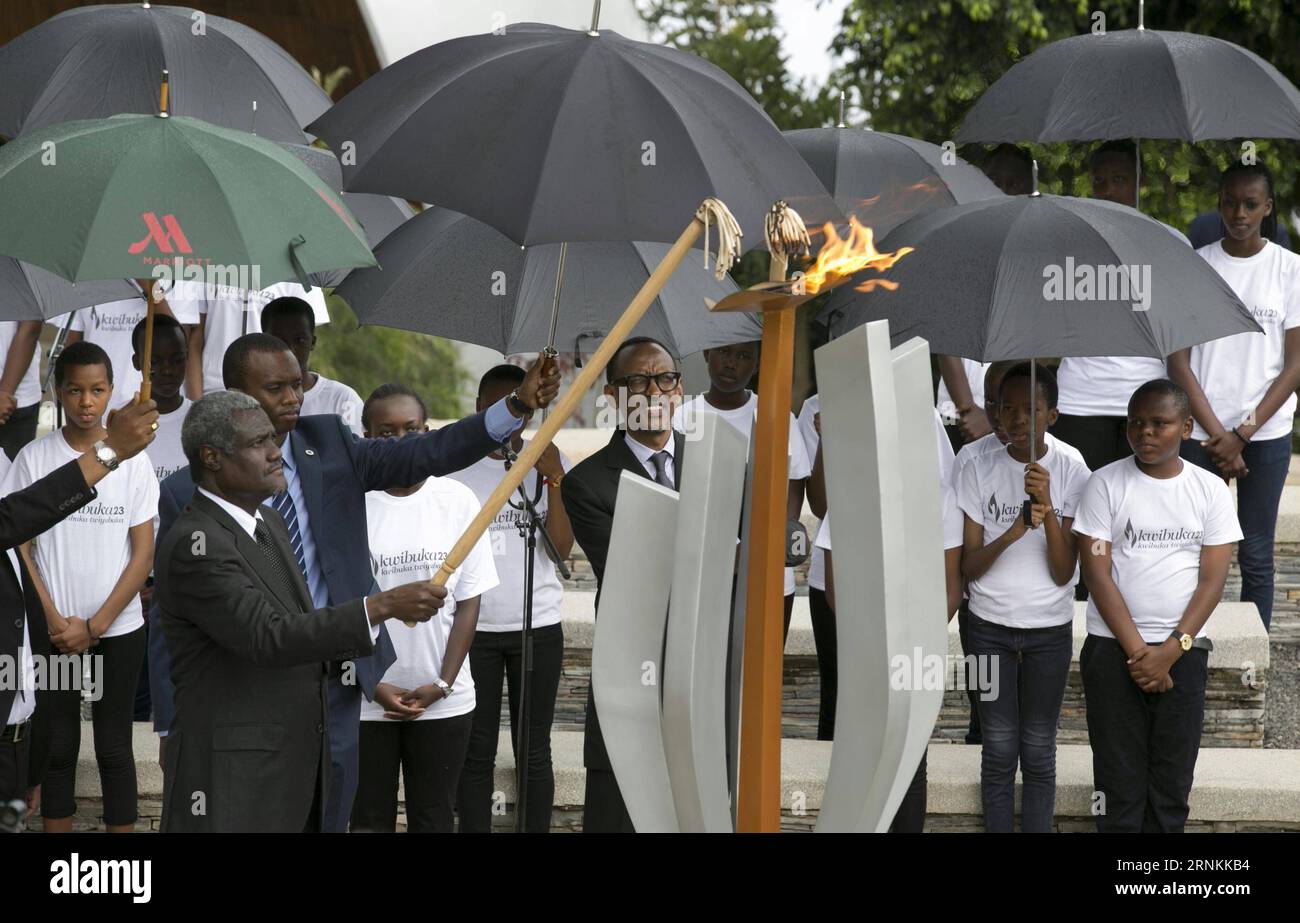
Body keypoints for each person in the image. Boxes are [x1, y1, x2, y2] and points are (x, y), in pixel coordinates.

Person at [148, 334, 560, 831]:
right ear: (236, 394)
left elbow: (427, 453)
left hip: (337, 686)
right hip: (247, 697)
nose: (292, 400)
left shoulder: (329, 444)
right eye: (276, 388)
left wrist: (513, 407)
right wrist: (171, 722)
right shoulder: (186, 496)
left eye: (297, 385)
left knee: (333, 816)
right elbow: (173, 618)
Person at [155, 391, 448, 832]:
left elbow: (303, 620)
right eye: (258, 444)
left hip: (299, 766)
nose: (277, 454)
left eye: (273, 439)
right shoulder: (197, 544)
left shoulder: (268, 523)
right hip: (236, 779)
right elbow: (269, 636)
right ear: (212, 457)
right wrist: (381, 605)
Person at [1072, 379, 1241, 832]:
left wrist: (1171, 649)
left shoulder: (1209, 490)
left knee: (1171, 784)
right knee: (1116, 782)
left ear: (1186, 427)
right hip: (1112, 653)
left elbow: (1212, 579)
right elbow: (1097, 573)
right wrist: (1137, 653)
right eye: (1136, 423)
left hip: (1182, 654)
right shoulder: (1103, 485)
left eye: (1159, 423)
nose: (1145, 432)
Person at [4, 342, 159, 833]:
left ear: (112, 392)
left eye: (97, 390)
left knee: (114, 747)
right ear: (57, 392)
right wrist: (52, 619)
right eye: (75, 390)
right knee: (57, 744)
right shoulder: (32, 458)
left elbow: (143, 553)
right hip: (53, 631)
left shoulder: (135, 461)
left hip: (119, 626)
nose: (86, 402)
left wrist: (97, 624)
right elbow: (20, 547)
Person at [351, 384, 499, 832]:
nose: (400, 442)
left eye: (411, 430)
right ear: (364, 438)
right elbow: (337, 608)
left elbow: (469, 601)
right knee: (367, 819)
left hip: (443, 702)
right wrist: (371, 682)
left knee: (434, 818)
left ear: (428, 432)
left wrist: (443, 682)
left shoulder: (456, 500)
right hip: (364, 701)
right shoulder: (348, 505)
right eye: (385, 433)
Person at [956, 362, 1091, 832]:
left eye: (1029, 410)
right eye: (1006, 408)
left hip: (1048, 631)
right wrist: (1014, 529)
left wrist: (1048, 509)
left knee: (1037, 747)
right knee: (996, 747)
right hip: (987, 627)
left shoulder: (1073, 467)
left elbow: (1062, 572)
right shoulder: (974, 462)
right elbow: (968, 567)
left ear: (1052, 415)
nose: (1016, 420)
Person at [815, 413, 964, 833]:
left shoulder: (944, 498)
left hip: (918, 650)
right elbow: (835, 590)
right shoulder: (850, 493)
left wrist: (916, 645)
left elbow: (950, 588)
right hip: (866, 650)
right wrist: (875, 644)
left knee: (912, 761)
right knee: (863, 757)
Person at [1168, 161, 1300, 631]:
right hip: (1202, 436)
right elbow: (1178, 362)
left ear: (1267, 207)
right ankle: (1190, 647)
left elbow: (1295, 365)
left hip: (1264, 435)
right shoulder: (1196, 265)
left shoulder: (1290, 269)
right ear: (1218, 203)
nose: (1239, 213)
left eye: (1250, 204)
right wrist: (1220, 433)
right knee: (1192, 548)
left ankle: (1253, 656)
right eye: (1230, 203)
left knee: (1258, 553)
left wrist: (1243, 432)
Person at [562, 336, 685, 832]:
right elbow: (633, 571)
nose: (652, 391)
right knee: (620, 806)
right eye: (636, 380)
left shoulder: (724, 465)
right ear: (612, 395)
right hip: (633, 665)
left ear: (680, 390)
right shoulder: (588, 482)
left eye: (664, 378)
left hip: (705, 665)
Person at [452, 365, 574, 834]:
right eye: (504, 405)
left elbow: (561, 550)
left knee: (533, 749)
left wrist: (556, 477)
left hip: (536, 626)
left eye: (522, 407)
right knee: (476, 748)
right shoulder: (458, 470)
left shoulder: (545, 461)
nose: (513, 416)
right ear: (482, 409)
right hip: (476, 627)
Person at [800, 393, 953, 741]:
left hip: (902, 580)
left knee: (897, 708)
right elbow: (823, 506)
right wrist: (827, 440)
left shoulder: (914, 401)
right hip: (838, 584)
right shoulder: (815, 407)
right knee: (839, 699)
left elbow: (938, 487)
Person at [1053, 141, 1189, 475]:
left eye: (1119, 179)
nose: (1108, 190)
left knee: (1140, 515)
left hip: (1147, 399)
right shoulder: (1066, 245)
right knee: (1080, 511)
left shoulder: (1171, 244)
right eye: (1100, 181)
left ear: (1139, 182)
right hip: (1080, 401)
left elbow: (1181, 335)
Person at [671, 341, 810, 637]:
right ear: (707, 353)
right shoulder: (682, 419)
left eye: (744, 356)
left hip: (767, 573)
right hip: (703, 572)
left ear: (758, 364)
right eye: (724, 352)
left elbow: (795, 484)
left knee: (761, 672)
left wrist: (774, 544)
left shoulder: (778, 417)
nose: (731, 363)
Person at [936, 144, 1033, 450]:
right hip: (958, 415)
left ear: (1030, 188)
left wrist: (997, 412)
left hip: (1017, 414)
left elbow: (1038, 343)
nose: (1003, 189)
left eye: (1014, 183)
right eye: (993, 181)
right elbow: (944, 337)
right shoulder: (956, 249)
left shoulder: (1041, 254)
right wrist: (969, 409)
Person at [129, 313, 191, 722]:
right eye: (155, 362)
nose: (166, 370)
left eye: (176, 359)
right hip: (130, 587)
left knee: (180, 699)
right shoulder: (120, 427)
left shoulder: (202, 422)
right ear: (137, 363)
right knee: (133, 705)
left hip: (186, 580)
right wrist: (134, 583)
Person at [168, 278, 330, 397]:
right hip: (213, 393)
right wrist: (197, 403)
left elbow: (301, 342)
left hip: (269, 395)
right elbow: (195, 342)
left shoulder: (295, 268)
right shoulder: (209, 257)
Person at [64, 280, 187, 413]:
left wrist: (151, 287)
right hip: (95, 409)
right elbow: (71, 353)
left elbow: (179, 342)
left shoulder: (178, 280)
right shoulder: (87, 277)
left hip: (156, 409)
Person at [262, 295, 364, 436]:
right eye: (279, 341)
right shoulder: (252, 399)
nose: (290, 349)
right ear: (264, 341)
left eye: (300, 340)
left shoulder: (343, 399)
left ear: (313, 342)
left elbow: (353, 454)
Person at [0, 320, 42, 460]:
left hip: (14, 402)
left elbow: (31, 326)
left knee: (12, 479)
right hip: (10, 399)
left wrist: (5, 393)